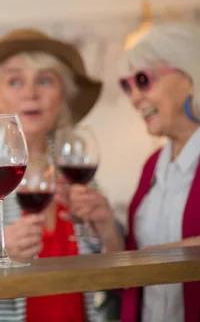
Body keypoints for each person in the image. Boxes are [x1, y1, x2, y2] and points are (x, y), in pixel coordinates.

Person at [0, 29, 122, 322]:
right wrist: (1, 257)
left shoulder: (74, 170)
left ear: (63, 98)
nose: (31, 93)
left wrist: (108, 227)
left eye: (45, 80)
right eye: (15, 81)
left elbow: (117, 279)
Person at [69, 23, 200, 322]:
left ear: (191, 77)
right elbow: (129, 274)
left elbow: (146, 259)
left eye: (143, 80)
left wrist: (156, 257)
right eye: (127, 86)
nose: (134, 97)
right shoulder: (153, 165)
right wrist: (106, 226)